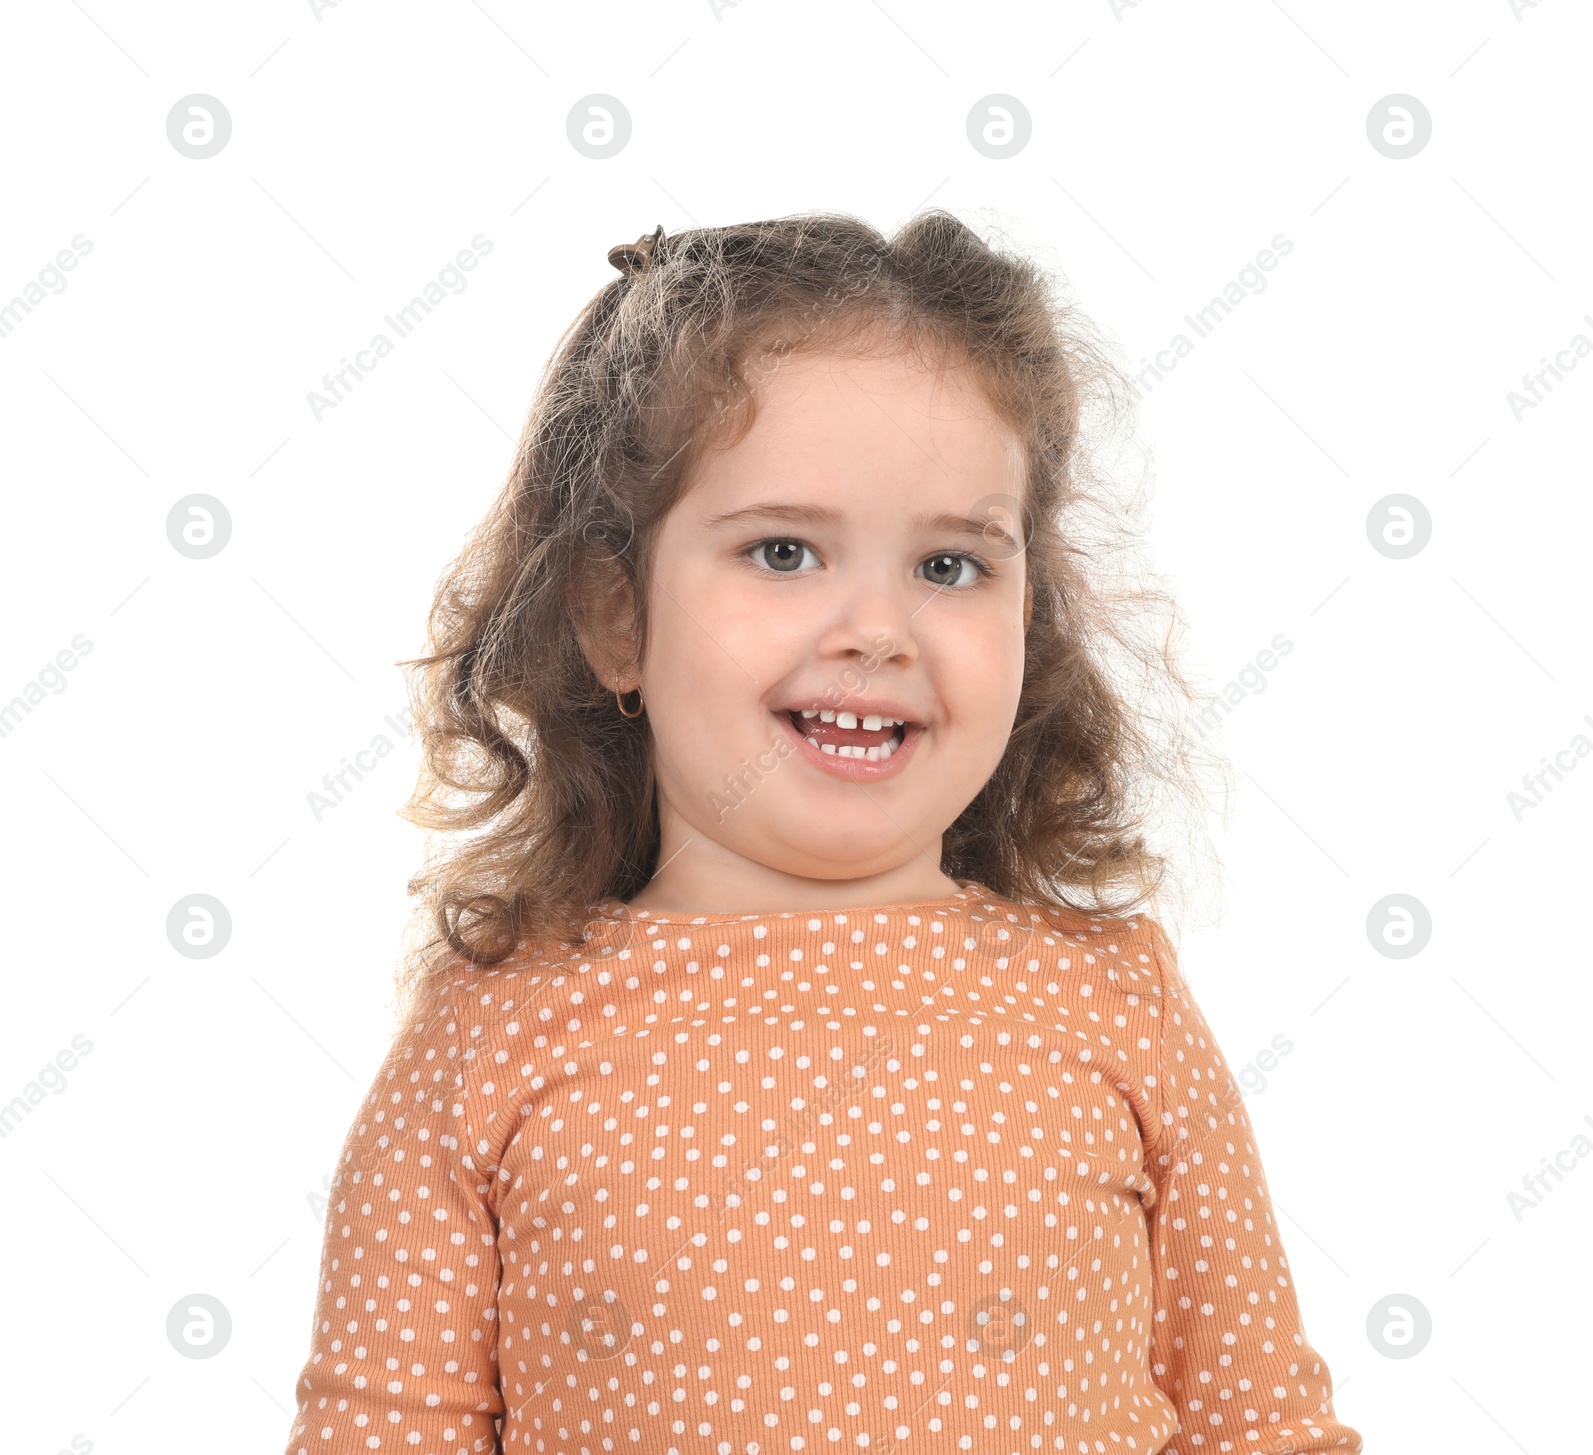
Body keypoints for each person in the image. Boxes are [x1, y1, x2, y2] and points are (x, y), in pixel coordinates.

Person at [282, 212, 1362, 1455]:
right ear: (614, 616)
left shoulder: (1116, 1004)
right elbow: (381, 1432)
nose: (876, 629)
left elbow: (1263, 1424)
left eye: (952, 568)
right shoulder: (491, 1038)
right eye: (783, 551)